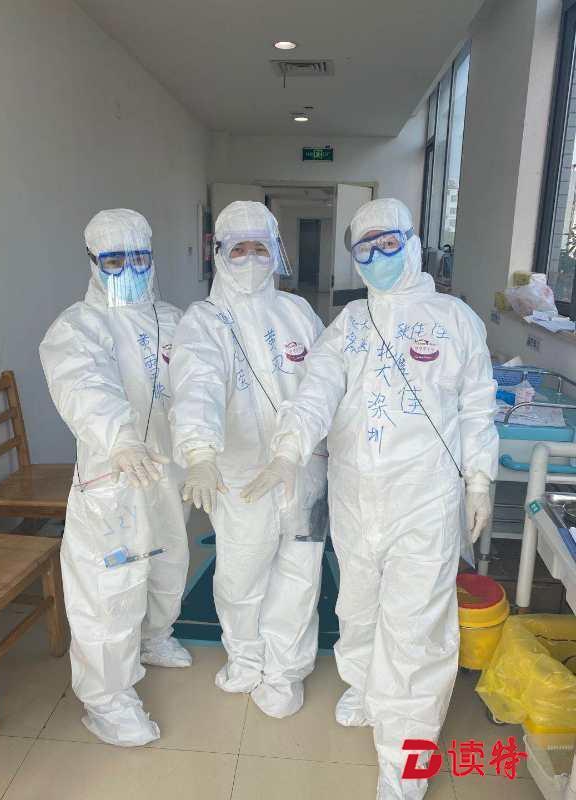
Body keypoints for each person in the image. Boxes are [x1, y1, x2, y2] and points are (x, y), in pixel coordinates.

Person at [242, 198, 498, 798]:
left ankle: (406, 767)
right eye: (367, 248)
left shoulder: (456, 320)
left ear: (414, 242)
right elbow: (316, 391)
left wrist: (480, 480)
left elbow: (477, 406)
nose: (380, 256)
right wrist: (289, 448)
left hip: (425, 500)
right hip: (356, 497)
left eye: (390, 243)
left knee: (416, 631)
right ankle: (362, 684)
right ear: (354, 258)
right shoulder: (350, 323)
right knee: (357, 608)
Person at [168, 200, 327, 718]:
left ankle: (284, 672)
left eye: (261, 247)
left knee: (299, 575)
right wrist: (198, 450)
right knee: (240, 574)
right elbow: (197, 383)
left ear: (276, 251)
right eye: (240, 249)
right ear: (219, 254)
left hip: (303, 472)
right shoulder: (204, 321)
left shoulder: (298, 313)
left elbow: (327, 385)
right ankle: (245, 658)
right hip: (239, 475)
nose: (252, 258)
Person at [40, 209, 191, 747]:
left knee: (168, 559)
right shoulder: (79, 326)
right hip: (112, 476)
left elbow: (198, 384)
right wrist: (120, 436)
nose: (129, 269)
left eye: (140, 258)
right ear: (93, 262)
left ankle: (155, 636)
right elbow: (83, 385)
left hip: (166, 471)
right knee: (110, 587)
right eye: (113, 260)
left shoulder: (173, 319)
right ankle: (107, 700)